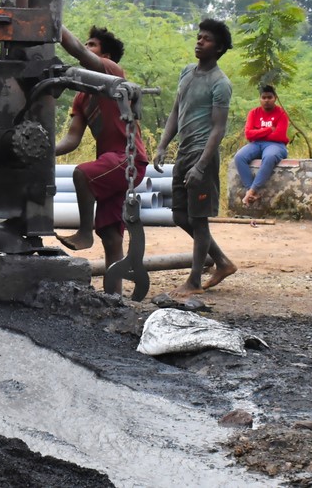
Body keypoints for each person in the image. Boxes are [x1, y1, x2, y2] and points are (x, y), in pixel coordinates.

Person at [54, 25, 149, 277]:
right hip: (110, 166)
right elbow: (72, 139)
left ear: (105, 57)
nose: (86, 48)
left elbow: (76, 50)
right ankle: (114, 294)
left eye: (92, 45)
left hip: (127, 160)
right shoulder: (82, 97)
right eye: (87, 44)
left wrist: (52, 20)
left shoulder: (112, 72)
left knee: (82, 174)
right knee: (110, 234)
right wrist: (47, 151)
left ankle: (84, 233)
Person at [152, 18, 238, 298]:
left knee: (199, 220)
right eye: (199, 36)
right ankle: (222, 262)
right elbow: (176, 112)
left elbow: (218, 128)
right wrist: (162, 146)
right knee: (180, 216)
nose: (200, 41)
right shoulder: (187, 72)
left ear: (219, 48)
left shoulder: (220, 83)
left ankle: (194, 281)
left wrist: (201, 165)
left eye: (207, 39)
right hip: (184, 152)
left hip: (203, 156)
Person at [233, 85, 290, 206]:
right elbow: (248, 134)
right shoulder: (254, 113)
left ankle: (251, 191)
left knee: (269, 157)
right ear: (260, 99)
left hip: (276, 145)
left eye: (269, 97)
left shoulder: (281, 114)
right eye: (264, 97)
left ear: (275, 98)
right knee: (239, 157)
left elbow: (279, 135)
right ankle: (251, 191)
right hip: (256, 144)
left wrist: (257, 133)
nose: (266, 100)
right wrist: (268, 129)